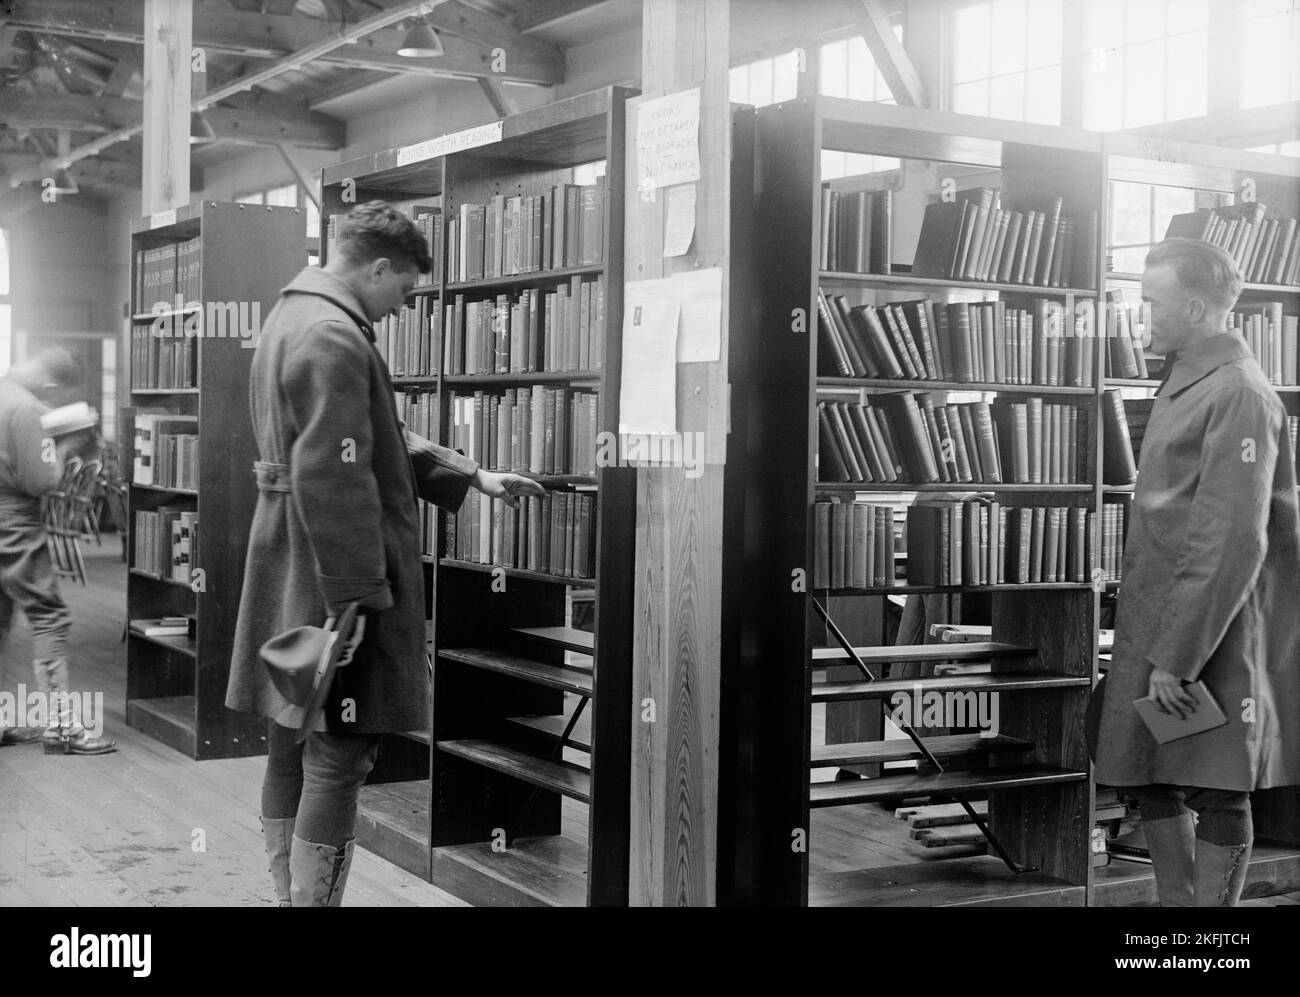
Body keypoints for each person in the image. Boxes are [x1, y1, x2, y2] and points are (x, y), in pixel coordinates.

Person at [226, 201, 545, 907]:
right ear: (375, 266)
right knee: (341, 753)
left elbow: (365, 435)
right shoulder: (336, 335)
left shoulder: (291, 316)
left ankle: (288, 899)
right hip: (334, 569)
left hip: (287, 559)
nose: (401, 308)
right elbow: (335, 474)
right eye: (401, 290)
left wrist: (468, 475)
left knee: (288, 735)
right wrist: (354, 597)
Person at [1094, 238, 1300, 906]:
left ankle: (1205, 932)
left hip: (1209, 627)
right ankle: (1181, 916)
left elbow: (1232, 538)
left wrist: (1178, 656)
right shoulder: (1192, 377)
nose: (1142, 313)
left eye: (1151, 300)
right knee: (1152, 772)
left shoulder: (1239, 392)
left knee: (1216, 780)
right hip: (1164, 617)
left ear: (1192, 305)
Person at [0, 349, 116, 754]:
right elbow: (40, 481)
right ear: (50, 386)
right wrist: (64, 445)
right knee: (49, 618)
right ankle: (62, 728)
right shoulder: (26, 409)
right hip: (13, 526)